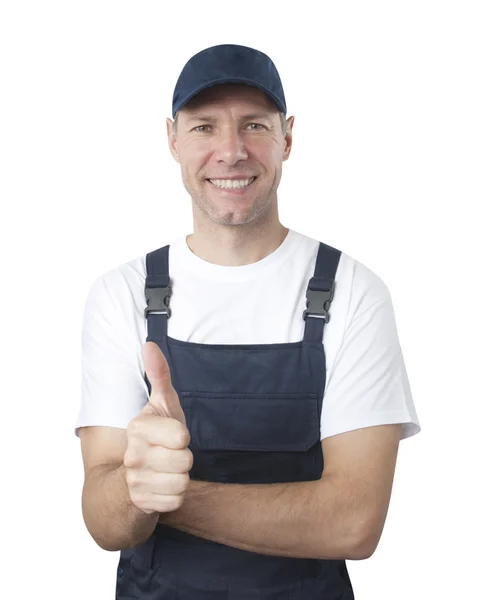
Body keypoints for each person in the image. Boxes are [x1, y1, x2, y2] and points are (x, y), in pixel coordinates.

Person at [76, 43, 421, 599]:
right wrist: (130, 493)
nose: (231, 152)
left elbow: (354, 522)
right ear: (172, 139)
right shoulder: (122, 296)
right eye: (204, 127)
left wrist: (169, 494)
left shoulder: (355, 293)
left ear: (288, 137)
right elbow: (104, 520)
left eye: (254, 126)